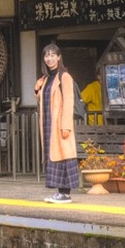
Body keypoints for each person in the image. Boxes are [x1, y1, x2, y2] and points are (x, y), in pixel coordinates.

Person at [34, 44, 79, 203]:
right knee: (54, 155)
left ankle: (65, 193)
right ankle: (60, 193)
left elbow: (69, 102)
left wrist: (66, 125)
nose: (49, 58)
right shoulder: (46, 79)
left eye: (53, 55)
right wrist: (37, 89)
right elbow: (44, 100)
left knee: (64, 155)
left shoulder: (64, 76)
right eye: (47, 55)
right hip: (48, 122)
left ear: (59, 57)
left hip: (60, 123)